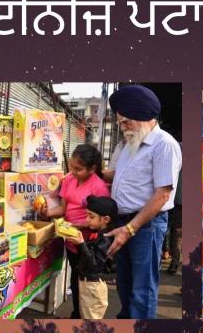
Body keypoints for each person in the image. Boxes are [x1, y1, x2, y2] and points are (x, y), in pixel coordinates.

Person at [100, 85, 182, 319]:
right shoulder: (131, 143)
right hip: (125, 223)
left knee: (142, 291)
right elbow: (120, 175)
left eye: (126, 122)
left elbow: (162, 195)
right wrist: (92, 172)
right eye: (120, 122)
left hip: (144, 226)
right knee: (125, 286)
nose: (122, 127)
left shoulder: (164, 145)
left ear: (144, 117)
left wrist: (130, 229)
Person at [42, 144, 110, 319]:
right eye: (71, 167)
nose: (72, 172)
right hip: (71, 240)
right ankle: (76, 313)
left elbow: (100, 220)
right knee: (74, 279)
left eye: (77, 169)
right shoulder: (70, 180)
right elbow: (64, 209)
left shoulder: (99, 187)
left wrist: (76, 226)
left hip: (88, 243)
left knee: (87, 283)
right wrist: (47, 212)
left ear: (92, 169)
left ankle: (85, 316)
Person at [66, 195, 118, 319]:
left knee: (91, 318)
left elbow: (93, 264)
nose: (87, 219)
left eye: (91, 216)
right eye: (87, 215)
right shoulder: (98, 233)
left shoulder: (105, 240)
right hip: (88, 284)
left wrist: (81, 244)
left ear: (106, 219)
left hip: (93, 287)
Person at [165, 168, 182, 274]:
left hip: (176, 200)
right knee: (176, 233)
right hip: (177, 200)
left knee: (176, 233)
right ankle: (175, 261)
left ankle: (175, 262)